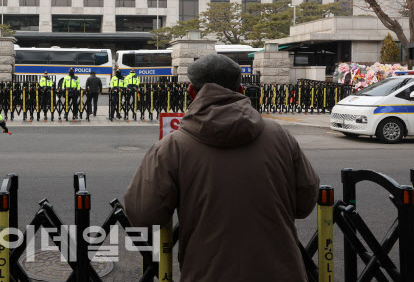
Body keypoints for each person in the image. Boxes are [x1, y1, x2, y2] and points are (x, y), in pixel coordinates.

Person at [124, 54, 319, 282]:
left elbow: (144, 215)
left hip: (207, 273)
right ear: (242, 90)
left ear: (191, 93)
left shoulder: (172, 147)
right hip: (283, 272)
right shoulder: (281, 136)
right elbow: (305, 203)